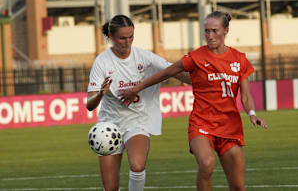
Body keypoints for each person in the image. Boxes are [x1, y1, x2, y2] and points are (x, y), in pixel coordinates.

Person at [120, 11, 267, 191]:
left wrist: (252, 114)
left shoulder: (239, 59)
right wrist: (136, 89)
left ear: (226, 30)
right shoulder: (196, 57)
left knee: (237, 186)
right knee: (206, 163)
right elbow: (167, 72)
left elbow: (245, 95)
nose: (210, 36)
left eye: (214, 31)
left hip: (230, 126)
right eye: (206, 31)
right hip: (201, 123)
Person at [86, 14, 190, 191]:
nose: (127, 42)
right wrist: (101, 94)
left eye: (131, 36)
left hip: (138, 121)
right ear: (111, 37)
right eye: (122, 38)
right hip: (109, 125)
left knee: (137, 166)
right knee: (110, 188)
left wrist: (203, 81)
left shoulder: (144, 56)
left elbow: (174, 70)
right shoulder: (101, 62)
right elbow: (90, 105)